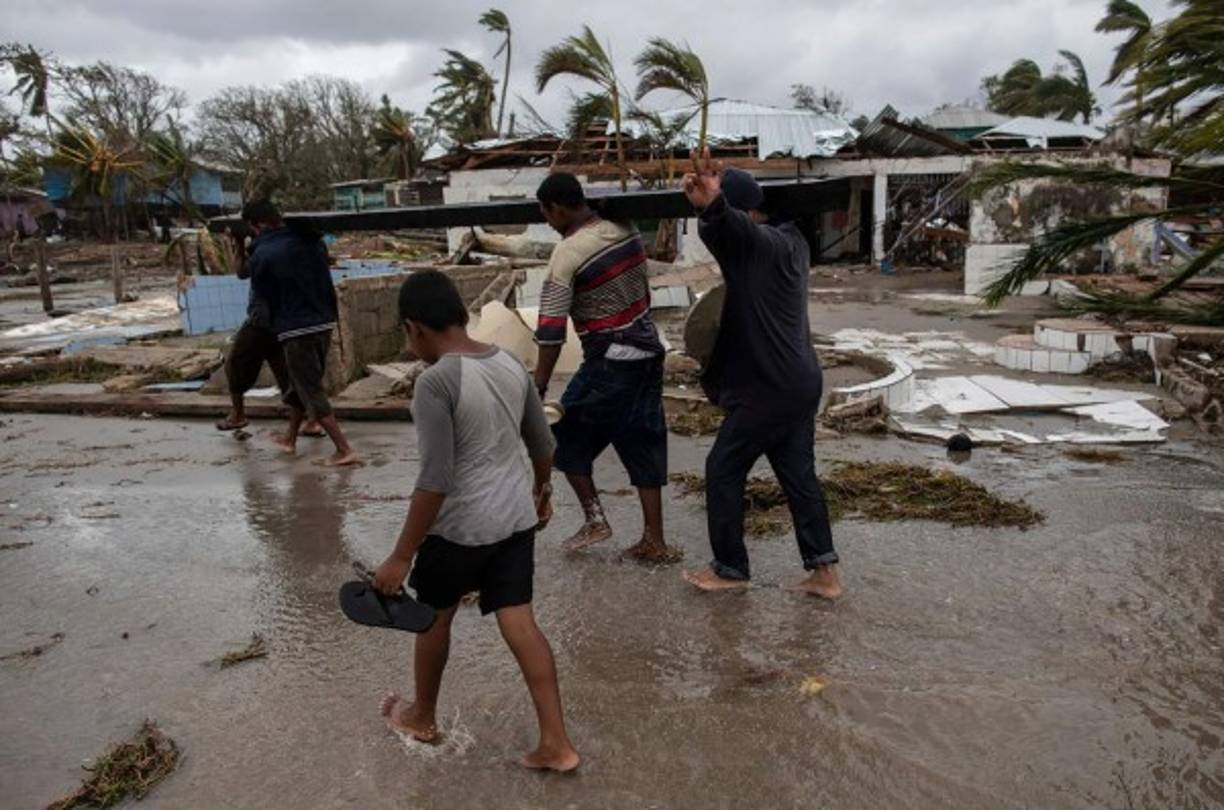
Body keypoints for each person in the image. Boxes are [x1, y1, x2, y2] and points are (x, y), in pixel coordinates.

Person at [372, 270, 579, 773]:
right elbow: (543, 443)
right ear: (462, 315)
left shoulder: (436, 382)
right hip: (514, 520)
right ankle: (556, 743)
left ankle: (422, 716)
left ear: (414, 328)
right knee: (520, 622)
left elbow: (434, 480)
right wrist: (542, 491)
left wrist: (402, 555)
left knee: (435, 618)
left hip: (461, 529)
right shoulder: (508, 363)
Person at [679, 150, 842, 598]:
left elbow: (738, 233)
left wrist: (713, 209)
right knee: (798, 476)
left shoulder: (760, 246)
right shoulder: (794, 243)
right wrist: (717, 210)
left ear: (749, 213)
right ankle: (824, 572)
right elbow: (739, 234)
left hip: (768, 387)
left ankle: (730, 569)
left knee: (723, 467)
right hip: (800, 381)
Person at [532, 173, 675, 563]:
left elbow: (550, 331)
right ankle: (654, 540)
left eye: (546, 214)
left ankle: (596, 519)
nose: (547, 222)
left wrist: (539, 386)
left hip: (610, 358)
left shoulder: (567, 253)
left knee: (561, 436)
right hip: (649, 350)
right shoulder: (625, 229)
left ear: (557, 208)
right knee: (642, 439)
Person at [242, 200, 358, 467]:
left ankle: (343, 449)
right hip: (323, 320)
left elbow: (260, 294)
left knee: (309, 387)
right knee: (300, 383)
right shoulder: (312, 240)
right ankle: (290, 438)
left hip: (295, 326)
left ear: (255, 225)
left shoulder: (264, 252)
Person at [216, 231, 323, 437]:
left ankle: (238, 414)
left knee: (236, 365)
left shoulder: (265, 250)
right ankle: (311, 420)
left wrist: (239, 244)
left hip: (262, 321)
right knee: (290, 375)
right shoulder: (290, 246)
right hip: (286, 321)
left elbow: (241, 272)